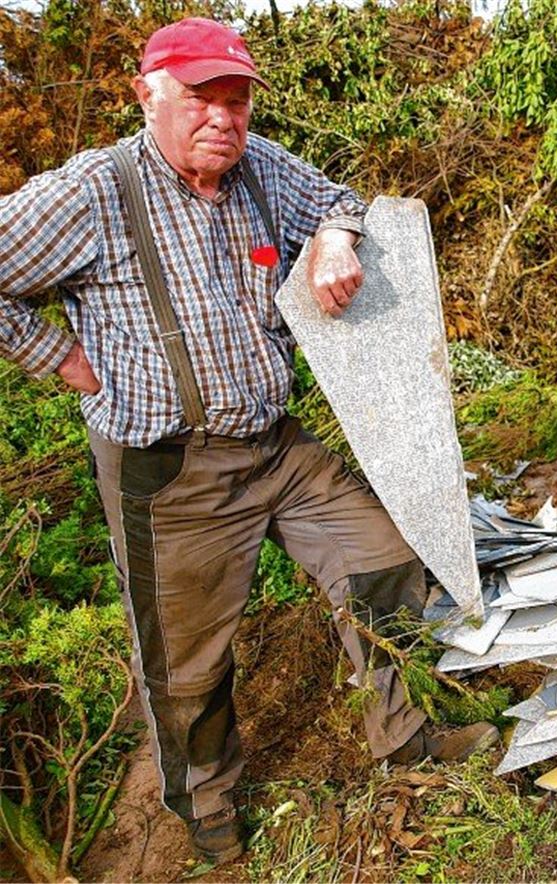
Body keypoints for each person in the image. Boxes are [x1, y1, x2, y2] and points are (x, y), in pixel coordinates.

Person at [0, 16, 496, 866]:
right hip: (171, 474)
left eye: (236, 101)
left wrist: (334, 238)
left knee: (384, 561)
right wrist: (62, 358)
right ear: (147, 95)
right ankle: (208, 807)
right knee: (187, 666)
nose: (222, 119)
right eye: (201, 99)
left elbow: (337, 199)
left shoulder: (258, 165)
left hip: (276, 447)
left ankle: (405, 735)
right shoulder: (93, 192)